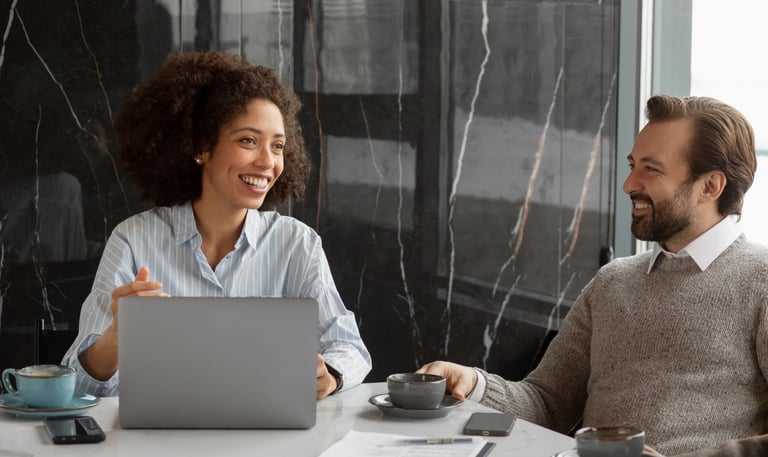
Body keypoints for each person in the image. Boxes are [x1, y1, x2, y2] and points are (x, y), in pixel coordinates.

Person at [418, 95, 768, 455]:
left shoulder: (762, 281)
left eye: (651, 169)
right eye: (632, 165)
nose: (629, 184)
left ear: (710, 186)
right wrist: (474, 383)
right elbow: (546, 403)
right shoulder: (613, 281)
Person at [61, 51, 372, 400]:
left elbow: (349, 348)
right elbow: (76, 384)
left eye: (278, 145)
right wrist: (118, 336)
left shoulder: (297, 244)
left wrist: (328, 375)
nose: (268, 161)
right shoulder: (134, 240)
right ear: (202, 147)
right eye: (248, 140)